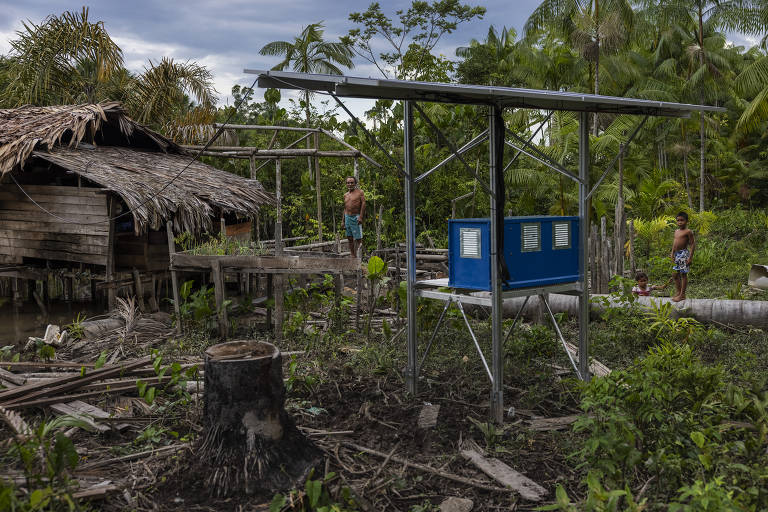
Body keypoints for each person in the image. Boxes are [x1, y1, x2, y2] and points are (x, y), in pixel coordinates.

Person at [669, 211, 695, 302]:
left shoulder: (688, 232)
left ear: (686, 221)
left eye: (682, 220)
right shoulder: (676, 231)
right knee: (675, 274)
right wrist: (672, 253)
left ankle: (682, 295)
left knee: (683, 274)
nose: (680, 222)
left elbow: (692, 244)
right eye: (678, 220)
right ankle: (678, 292)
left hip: (683, 254)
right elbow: (674, 243)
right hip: (676, 255)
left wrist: (690, 257)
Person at [343, 176, 365, 258]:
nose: (350, 184)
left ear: (355, 183)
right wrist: (343, 221)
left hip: (356, 217)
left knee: (359, 238)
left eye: (352, 182)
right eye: (348, 183)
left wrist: (361, 217)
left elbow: (363, 204)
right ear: (346, 184)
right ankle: (353, 255)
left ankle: (360, 257)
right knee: (349, 237)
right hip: (347, 217)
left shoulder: (360, 192)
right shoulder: (345, 195)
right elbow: (345, 208)